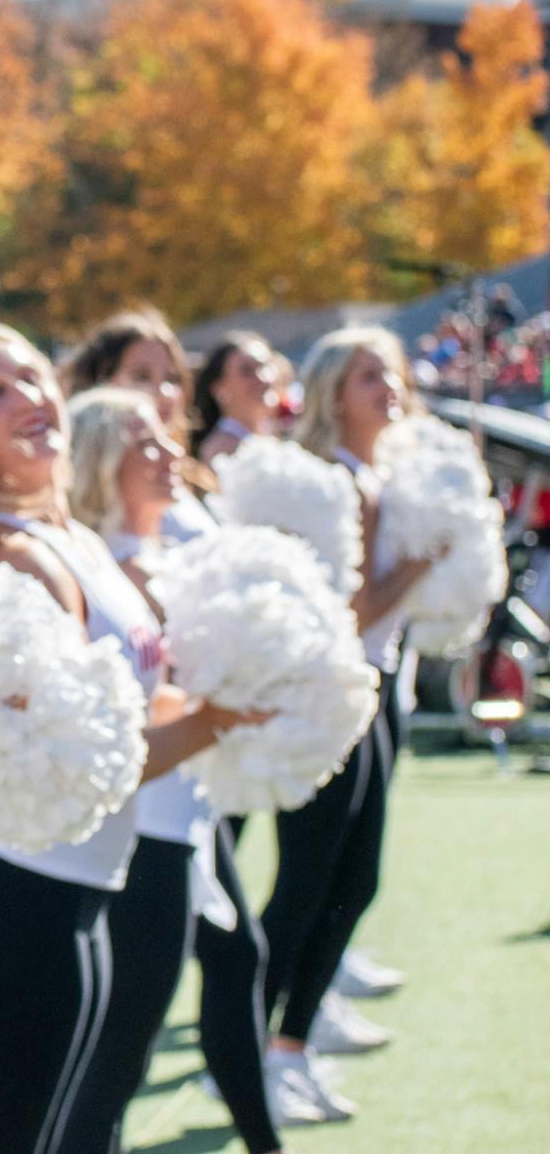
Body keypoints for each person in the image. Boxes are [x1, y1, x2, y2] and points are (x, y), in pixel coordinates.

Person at [0, 325, 262, 1154]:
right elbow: (80, 764)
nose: (33, 399)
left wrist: (220, 696)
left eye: (34, 378)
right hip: (10, 904)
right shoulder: (4, 557)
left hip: (75, 896)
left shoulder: (67, 537)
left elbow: (118, 719)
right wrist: (213, 721)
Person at [63, 313, 289, 1139]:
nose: (168, 451)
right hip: (144, 827)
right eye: (143, 444)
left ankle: (265, 1137)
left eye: (166, 436)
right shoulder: (104, 567)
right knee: (116, 1052)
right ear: (98, 459)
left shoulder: (152, 545)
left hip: (181, 806)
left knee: (236, 963)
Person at [257, 327, 433, 1122]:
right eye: (369, 376)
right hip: (334, 696)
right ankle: (251, 1047)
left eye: (390, 373)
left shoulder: (377, 473)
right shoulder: (336, 482)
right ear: (334, 393)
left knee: (350, 879)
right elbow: (352, 610)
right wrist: (424, 563)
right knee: (308, 882)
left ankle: (291, 1042)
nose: (387, 389)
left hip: (375, 684)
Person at [191, 332, 281, 463]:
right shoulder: (222, 452)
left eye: (263, 366)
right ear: (219, 389)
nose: (262, 378)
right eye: (246, 371)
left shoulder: (267, 436)